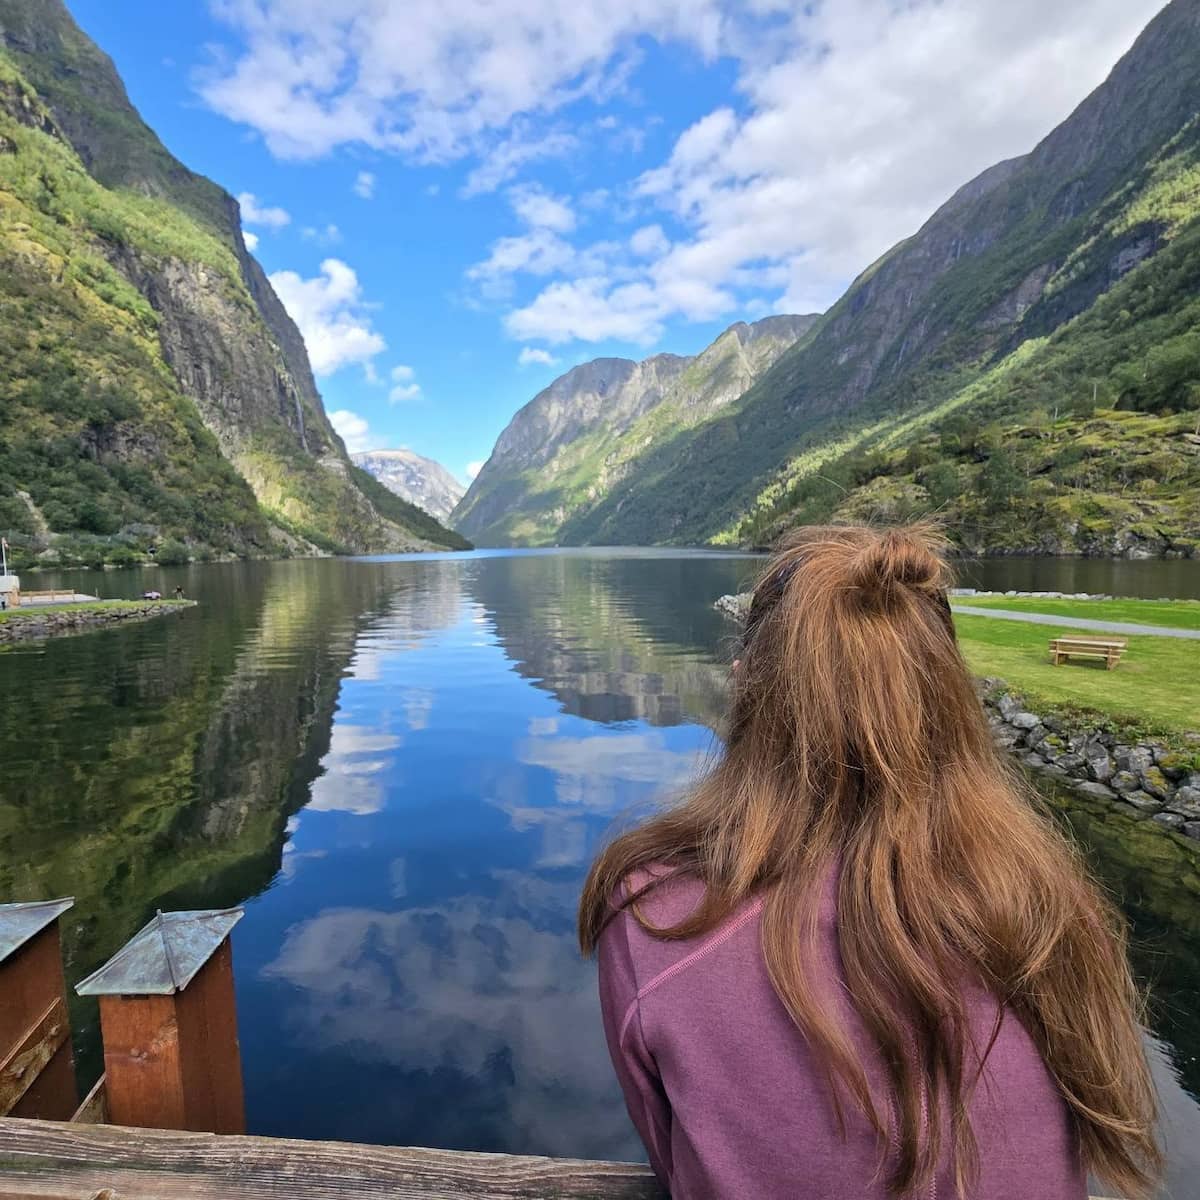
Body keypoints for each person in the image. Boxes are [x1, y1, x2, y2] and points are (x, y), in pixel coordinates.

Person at [579, 523, 1159, 1200]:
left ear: (746, 689)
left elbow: (676, 1159)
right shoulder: (1047, 899)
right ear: (947, 701)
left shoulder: (659, 919)